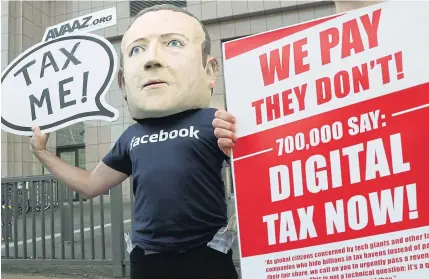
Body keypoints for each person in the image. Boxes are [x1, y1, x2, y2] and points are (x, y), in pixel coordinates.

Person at [31, 4, 237, 279]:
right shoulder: (131, 136)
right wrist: (43, 153)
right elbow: (91, 185)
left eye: (173, 43)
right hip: (148, 258)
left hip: (207, 254)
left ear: (210, 71)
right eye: (137, 50)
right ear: (122, 81)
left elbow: (268, 170)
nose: (151, 60)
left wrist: (241, 142)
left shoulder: (215, 121)